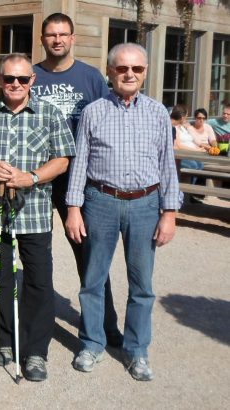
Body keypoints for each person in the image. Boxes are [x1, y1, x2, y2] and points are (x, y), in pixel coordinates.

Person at [66, 43, 181, 381]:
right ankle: (92, 343)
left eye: (137, 69)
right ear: (110, 71)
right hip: (100, 201)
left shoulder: (158, 112)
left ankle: (136, 350)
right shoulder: (93, 111)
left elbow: (167, 165)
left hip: (146, 204)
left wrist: (169, 212)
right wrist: (74, 207)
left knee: (142, 284)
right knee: (92, 280)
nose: (129, 74)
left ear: (145, 72)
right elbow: (80, 163)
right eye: (122, 68)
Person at [0, 53, 75, 382]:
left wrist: (33, 177)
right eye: (9, 79)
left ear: (32, 81)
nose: (15, 84)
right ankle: (3, 341)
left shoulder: (50, 113)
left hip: (35, 213)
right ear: (0, 80)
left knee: (38, 282)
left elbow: (62, 159)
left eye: (22, 79)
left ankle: (35, 350)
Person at [31, 12, 122, 348]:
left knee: (90, 255)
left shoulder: (91, 78)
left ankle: (103, 324)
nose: (57, 40)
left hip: (81, 181)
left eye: (63, 34)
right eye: (51, 34)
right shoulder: (31, 76)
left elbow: (110, 122)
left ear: (72, 38)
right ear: (43, 38)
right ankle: (26, 323)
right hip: (39, 178)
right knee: (33, 252)